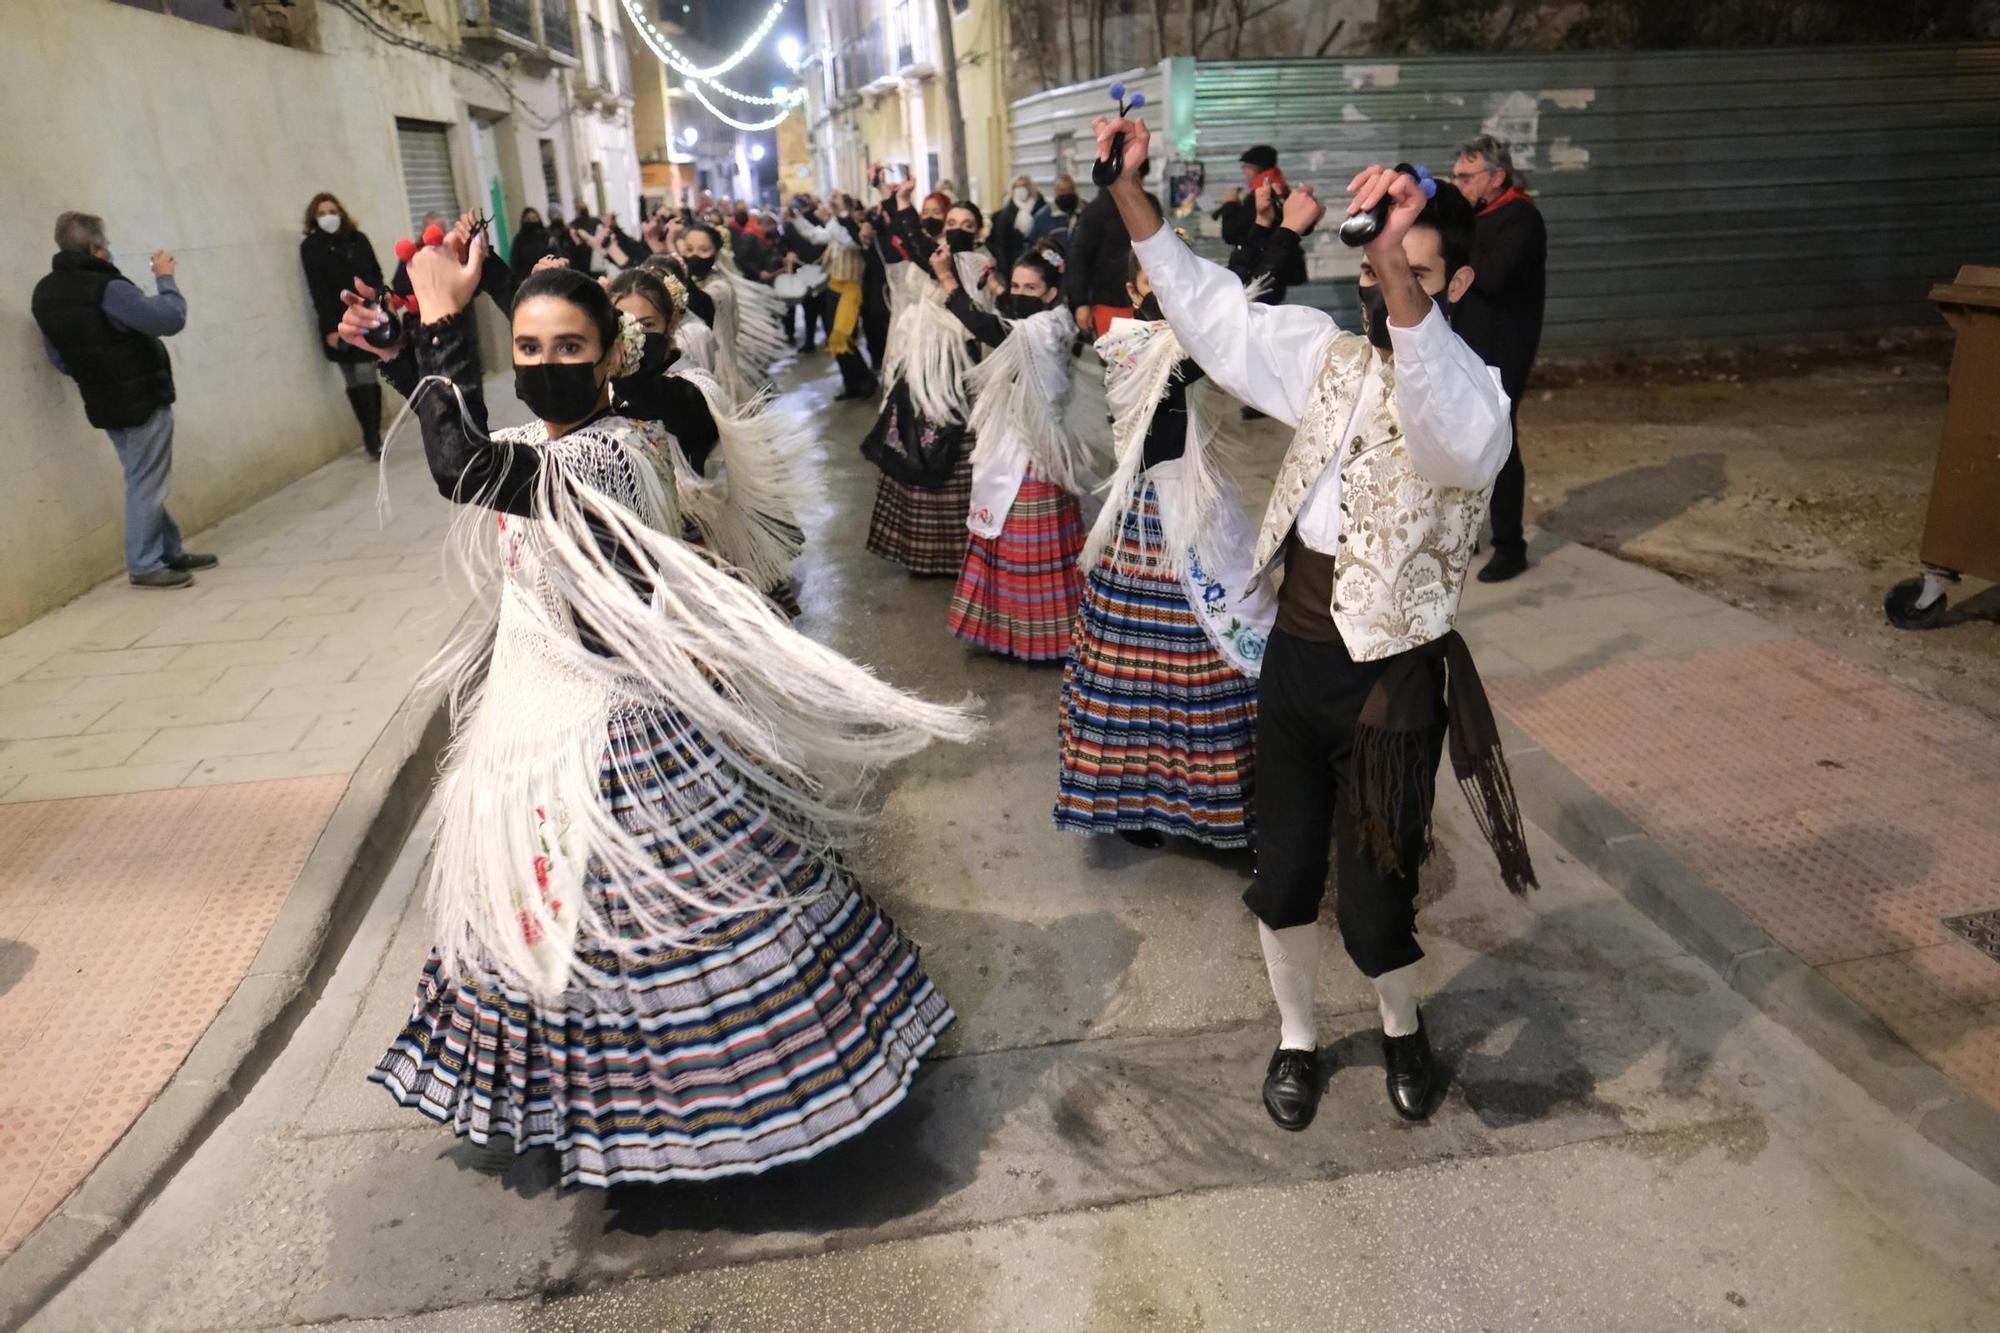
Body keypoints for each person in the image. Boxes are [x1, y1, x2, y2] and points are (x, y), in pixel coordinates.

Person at [337, 220, 973, 1187]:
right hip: (543, 728)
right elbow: (465, 437)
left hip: (612, 739)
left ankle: (728, 1112)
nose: (546, 366)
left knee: (662, 928)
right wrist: (400, 353)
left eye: (569, 349)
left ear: (608, 360)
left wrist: (437, 327)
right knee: (566, 932)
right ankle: (596, 1102)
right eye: (529, 351)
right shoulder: (553, 443)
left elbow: (460, 466)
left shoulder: (603, 459)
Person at [1094, 113, 1536, 1133]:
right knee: (1283, 875)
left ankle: (1399, 1025)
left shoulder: (1476, 399)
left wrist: (1394, 273)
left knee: (1378, 899)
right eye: (1378, 269)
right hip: (1294, 662)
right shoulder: (1330, 358)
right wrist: (1129, 191)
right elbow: (1209, 313)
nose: (1384, 291)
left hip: (1389, 685)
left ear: (1454, 286)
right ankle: (1295, 1037)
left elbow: (1438, 432)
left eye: (1411, 272)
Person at [1059, 224, 1277, 853]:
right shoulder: (1126, 341)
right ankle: (1134, 803)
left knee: (1201, 668)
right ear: (1134, 288)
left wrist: (1261, 234)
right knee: (1139, 676)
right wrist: (1274, 237)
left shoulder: (1190, 340)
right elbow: (1204, 338)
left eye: (1180, 274)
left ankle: (1215, 805)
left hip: (1203, 509)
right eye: (1157, 276)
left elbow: (1222, 327)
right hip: (1146, 523)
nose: (1171, 290)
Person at [33, 212, 216, 589]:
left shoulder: (45, 293)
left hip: (103, 401)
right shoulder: (107, 288)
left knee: (142, 476)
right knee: (146, 482)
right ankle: (145, 563)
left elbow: (58, 357)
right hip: (141, 398)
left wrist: (98, 374)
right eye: (107, 245)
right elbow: (168, 319)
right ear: (96, 248)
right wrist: (164, 277)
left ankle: (168, 550)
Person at [935, 246, 1096, 662]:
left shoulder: (1042, 328)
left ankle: (1038, 638)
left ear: (1050, 293)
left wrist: (950, 283)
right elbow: (1009, 307)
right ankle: (1017, 632)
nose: (1021, 293)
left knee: (1024, 545)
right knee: (1011, 539)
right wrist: (996, 284)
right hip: (1024, 440)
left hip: (1031, 451)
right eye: (1018, 285)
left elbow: (990, 328)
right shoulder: (1050, 317)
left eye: (1032, 287)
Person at [860, 177, 986, 576]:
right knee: (916, 447)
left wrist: (900, 203)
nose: (958, 229)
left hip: (959, 372)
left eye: (968, 225)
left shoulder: (975, 263)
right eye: (953, 221)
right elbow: (909, 246)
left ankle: (962, 550)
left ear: (979, 233)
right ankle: (926, 552)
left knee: (953, 455)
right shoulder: (940, 256)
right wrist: (896, 202)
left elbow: (914, 243)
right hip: (923, 371)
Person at [1451, 134, 1547, 584]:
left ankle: (1511, 546)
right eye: (1455, 176)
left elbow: (1490, 277)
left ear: (1496, 177)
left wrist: (1459, 234)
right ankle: (1465, 532)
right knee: (1463, 442)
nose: (1458, 185)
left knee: (1500, 443)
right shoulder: (1477, 216)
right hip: (1468, 342)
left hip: (1504, 347)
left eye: (1466, 177)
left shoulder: (1520, 217)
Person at [298, 192, 387, 457]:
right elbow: (318, 290)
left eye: (332, 211)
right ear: (314, 218)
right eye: (322, 213)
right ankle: (368, 433)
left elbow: (375, 273)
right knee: (351, 379)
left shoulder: (358, 240)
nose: (328, 217)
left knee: (366, 373)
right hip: (336, 320)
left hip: (365, 315)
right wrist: (329, 329)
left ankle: (373, 435)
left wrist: (381, 302)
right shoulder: (311, 247)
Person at [789, 197, 878, 401]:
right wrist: (797, 219)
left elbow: (848, 241)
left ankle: (865, 379)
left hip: (851, 288)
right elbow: (814, 235)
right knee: (834, 336)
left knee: (841, 335)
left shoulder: (858, 230)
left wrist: (832, 218)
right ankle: (852, 383)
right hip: (834, 286)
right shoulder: (837, 227)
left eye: (838, 205)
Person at [1066, 173, 1159, 338]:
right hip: (1110, 303)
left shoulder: (1149, 203)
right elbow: (1078, 258)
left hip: (1151, 301)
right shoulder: (1095, 212)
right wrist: (1080, 303)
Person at [988, 175, 1051, 281]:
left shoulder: (1041, 209)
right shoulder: (1005, 215)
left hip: (1037, 262)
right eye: (1017, 187)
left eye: (1024, 186)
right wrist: (1005, 270)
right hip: (1013, 265)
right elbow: (1000, 244)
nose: (1021, 190)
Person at [1034, 174, 1082, 250]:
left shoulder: (1085, 214)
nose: (1066, 194)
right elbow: (1037, 247)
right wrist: (1056, 260)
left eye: (1069, 190)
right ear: (1055, 192)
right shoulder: (1042, 217)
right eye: (1062, 191)